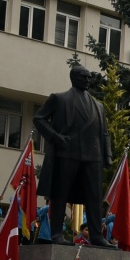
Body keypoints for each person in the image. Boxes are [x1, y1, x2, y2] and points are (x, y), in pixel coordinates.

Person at [33, 65, 112, 247]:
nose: (88, 80)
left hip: (93, 155)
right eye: (84, 77)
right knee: (60, 194)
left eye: (89, 77)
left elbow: (104, 132)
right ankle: (57, 235)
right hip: (67, 152)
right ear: (74, 78)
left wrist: (107, 155)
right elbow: (39, 118)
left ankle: (96, 236)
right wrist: (54, 136)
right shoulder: (59, 99)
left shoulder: (98, 106)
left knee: (94, 196)